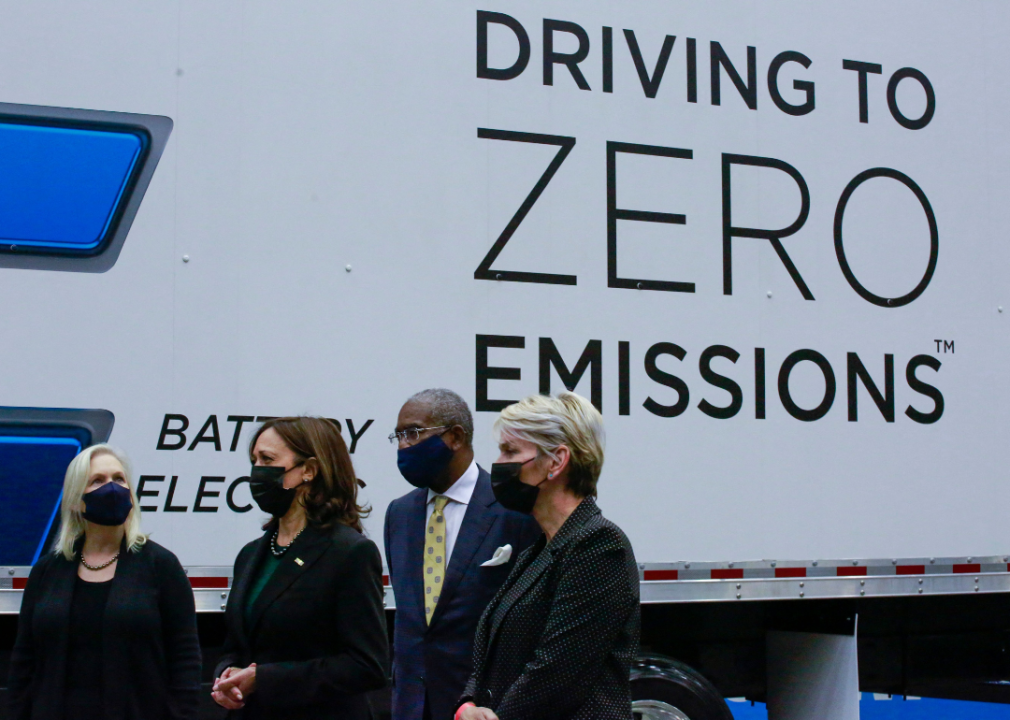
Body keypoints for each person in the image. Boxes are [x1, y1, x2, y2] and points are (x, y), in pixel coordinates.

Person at [457, 392, 640, 720]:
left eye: (511, 451)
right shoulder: (537, 551)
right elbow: (494, 656)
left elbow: (558, 671)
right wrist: (469, 704)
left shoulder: (599, 545)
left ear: (556, 461)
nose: (499, 463)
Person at [8, 443, 201, 720]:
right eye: (97, 481)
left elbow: (185, 660)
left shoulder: (161, 565)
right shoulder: (47, 571)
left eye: (119, 479)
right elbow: (23, 663)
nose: (112, 488)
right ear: (75, 499)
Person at [212, 416, 387, 719]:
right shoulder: (251, 554)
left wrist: (265, 679)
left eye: (267, 459)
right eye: (254, 460)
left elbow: (367, 665)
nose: (257, 471)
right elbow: (236, 645)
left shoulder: (349, 552)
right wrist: (227, 674)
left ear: (308, 470)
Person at [384, 389, 540, 720]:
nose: (403, 446)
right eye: (398, 436)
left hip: (480, 706)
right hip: (410, 706)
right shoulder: (399, 514)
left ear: (455, 436)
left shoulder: (513, 509)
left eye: (412, 433)